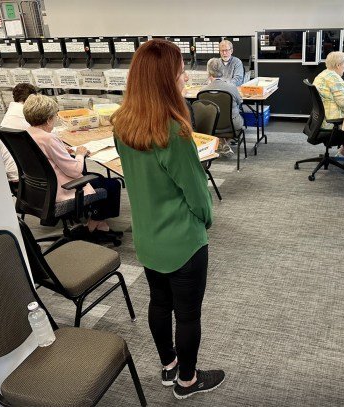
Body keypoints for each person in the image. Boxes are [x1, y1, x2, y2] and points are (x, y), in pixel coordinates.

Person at [112, 39, 224, 400]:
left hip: (147, 237)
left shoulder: (122, 124)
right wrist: (205, 222)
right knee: (188, 315)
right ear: (164, 79)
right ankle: (188, 382)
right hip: (182, 242)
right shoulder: (174, 132)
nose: (185, 76)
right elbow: (197, 195)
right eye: (179, 71)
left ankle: (169, 366)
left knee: (159, 304)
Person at [22, 94, 122, 237]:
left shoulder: (27, 134)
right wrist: (80, 154)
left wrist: (63, 151)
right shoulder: (48, 138)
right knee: (113, 185)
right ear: (49, 119)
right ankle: (95, 222)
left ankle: (99, 222)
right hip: (62, 189)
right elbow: (75, 171)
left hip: (39, 190)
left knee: (98, 178)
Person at [202, 57, 245, 157]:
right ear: (222, 70)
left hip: (210, 125)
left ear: (208, 72)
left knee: (216, 120)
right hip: (232, 125)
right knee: (231, 117)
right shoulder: (232, 88)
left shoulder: (202, 90)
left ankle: (221, 142)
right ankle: (224, 143)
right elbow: (240, 102)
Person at [0, 83, 37, 191]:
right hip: (28, 178)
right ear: (31, 98)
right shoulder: (26, 115)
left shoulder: (10, 114)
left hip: (13, 175)